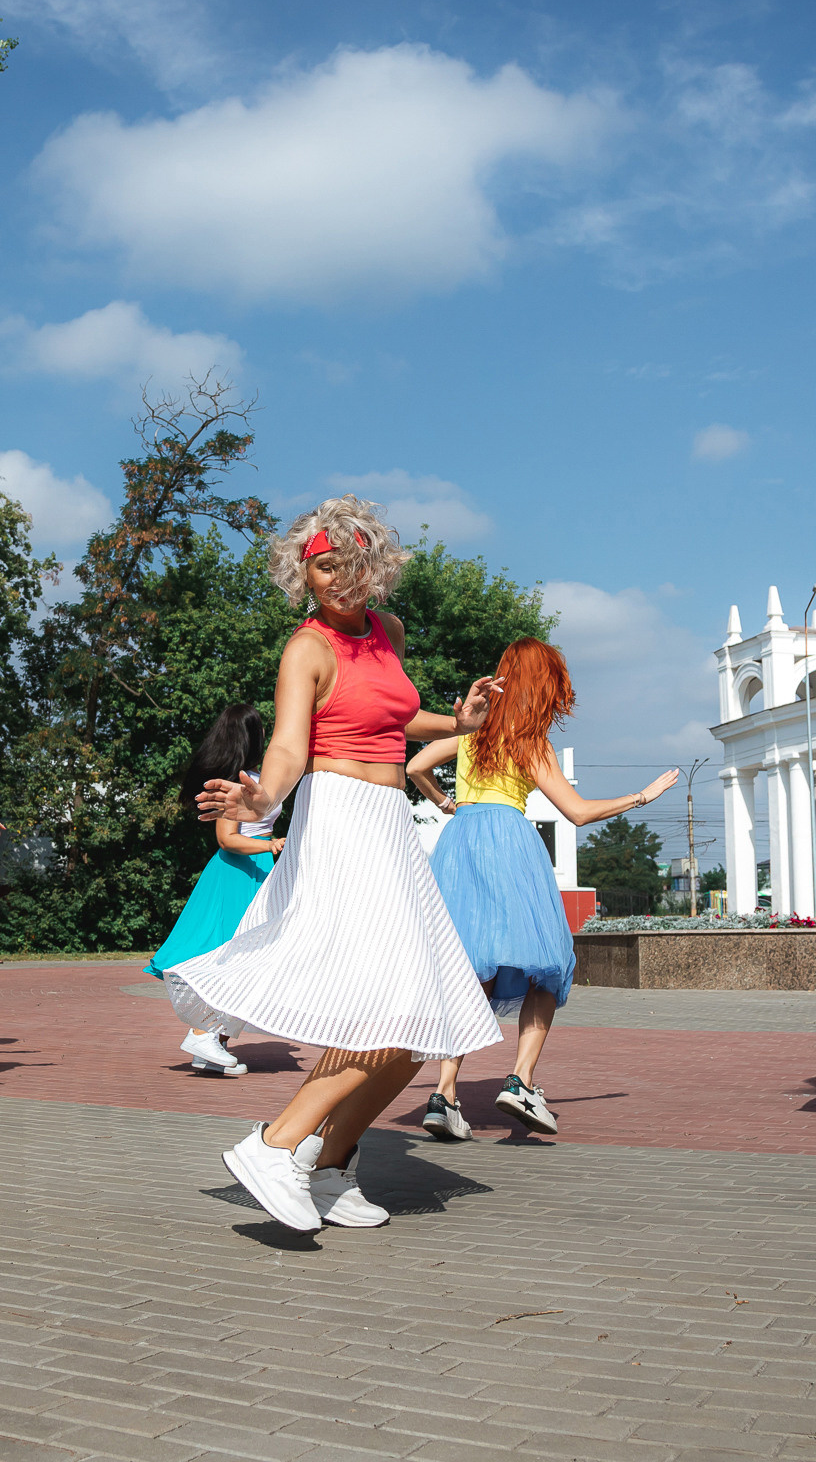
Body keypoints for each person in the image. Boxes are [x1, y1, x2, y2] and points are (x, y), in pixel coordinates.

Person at [174, 496, 506, 1233]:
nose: (334, 580)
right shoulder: (307, 648)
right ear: (305, 574)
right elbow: (291, 746)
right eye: (320, 567)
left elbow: (392, 713)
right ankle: (276, 1145)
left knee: (423, 1024)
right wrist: (263, 793)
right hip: (341, 823)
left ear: (375, 568)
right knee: (388, 1006)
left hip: (391, 825)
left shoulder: (386, 631)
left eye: (348, 566)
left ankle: (327, 1168)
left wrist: (459, 723)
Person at [406, 640, 678, 1139]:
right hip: (509, 842)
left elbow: (414, 766)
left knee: (468, 967)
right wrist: (642, 796)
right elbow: (577, 811)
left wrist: (447, 804)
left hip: (460, 842)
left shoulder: (473, 732)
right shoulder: (530, 741)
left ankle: (444, 1094)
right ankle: (521, 1081)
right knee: (546, 965)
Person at [147, 705, 287, 1077]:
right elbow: (228, 839)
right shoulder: (235, 784)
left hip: (255, 872)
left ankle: (211, 1046)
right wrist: (271, 845)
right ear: (254, 736)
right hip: (239, 873)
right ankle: (201, 1033)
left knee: (242, 955)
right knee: (233, 955)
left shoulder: (254, 779)